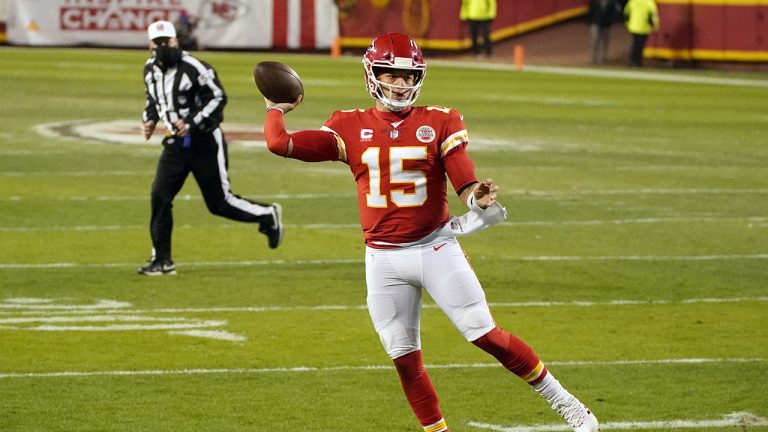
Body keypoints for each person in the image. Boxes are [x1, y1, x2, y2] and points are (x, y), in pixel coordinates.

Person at [261, 33, 599, 432]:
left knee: (485, 335)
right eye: (392, 75)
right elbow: (278, 143)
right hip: (382, 259)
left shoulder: (440, 120)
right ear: (373, 75)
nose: (401, 84)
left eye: (408, 77)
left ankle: (573, 408)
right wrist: (275, 107)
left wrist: (478, 200)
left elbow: (464, 181)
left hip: (435, 248)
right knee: (405, 361)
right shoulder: (348, 125)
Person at [138, 20, 283, 276]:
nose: (163, 47)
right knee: (159, 196)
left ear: (176, 41)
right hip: (175, 144)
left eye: (167, 42)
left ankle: (267, 214)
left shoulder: (195, 67)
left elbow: (217, 97)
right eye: (158, 43)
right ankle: (162, 259)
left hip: (205, 141)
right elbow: (154, 98)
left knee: (218, 203)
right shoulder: (150, 69)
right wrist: (149, 119)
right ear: (150, 44)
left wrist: (192, 121)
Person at [624, 0, 660, 67]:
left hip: (633, 26)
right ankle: (638, 62)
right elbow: (652, 16)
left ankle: (633, 61)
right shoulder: (649, 2)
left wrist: (626, 24)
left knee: (635, 44)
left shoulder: (633, 1)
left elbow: (626, 12)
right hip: (644, 27)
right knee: (640, 46)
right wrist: (655, 27)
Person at [588, 0, 620, 65]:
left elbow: (614, 14)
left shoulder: (611, 3)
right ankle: (594, 57)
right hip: (596, 24)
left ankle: (603, 57)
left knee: (604, 41)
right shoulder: (594, 2)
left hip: (606, 25)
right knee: (594, 40)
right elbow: (590, 12)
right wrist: (590, 22)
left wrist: (609, 22)